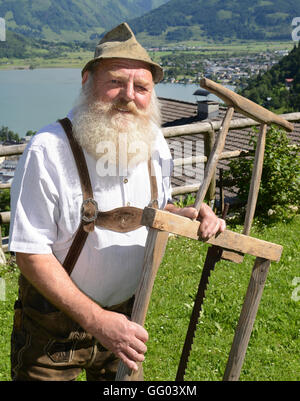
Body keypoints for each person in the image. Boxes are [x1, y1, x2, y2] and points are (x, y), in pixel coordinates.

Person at [8, 23, 225, 381]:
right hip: (53, 333)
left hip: (125, 322)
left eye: (141, 87)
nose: (128, 95)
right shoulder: (48, 149)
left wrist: (184, 215)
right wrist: (98, 320)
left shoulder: (153, 142)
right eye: (115, 82)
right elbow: (30, 254)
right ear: (87, 80)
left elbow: (156, 209)